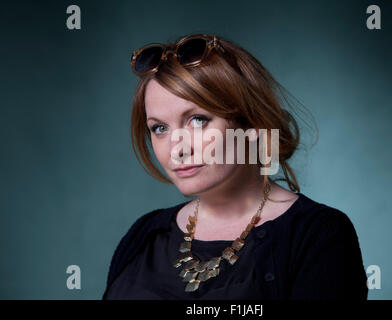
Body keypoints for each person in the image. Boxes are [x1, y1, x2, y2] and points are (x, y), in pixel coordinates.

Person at [102, 33, 368, 300]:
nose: (178, 148)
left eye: (197, 120)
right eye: (159, 128)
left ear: (252, 124)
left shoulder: (317, 235)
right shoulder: (145, 234)